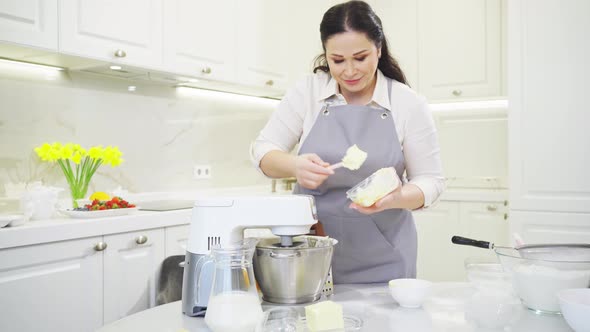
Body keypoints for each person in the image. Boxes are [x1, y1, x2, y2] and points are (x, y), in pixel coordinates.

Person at [250, 0, 444, 284]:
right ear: (326, 55)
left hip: (385, 256)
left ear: (378, 49)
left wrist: (396, 198)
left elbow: (431, 181)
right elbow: (262, 151)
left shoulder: (407, 104)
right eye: (337, 61)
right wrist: (295, 166)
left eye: (361, 57)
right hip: (312, 251)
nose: (349, 71)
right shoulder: (308, 92)